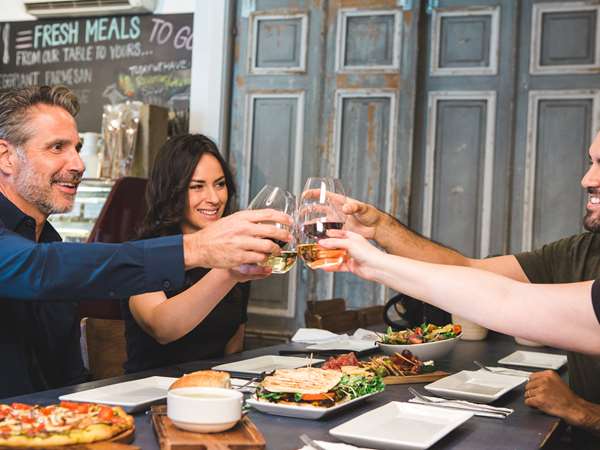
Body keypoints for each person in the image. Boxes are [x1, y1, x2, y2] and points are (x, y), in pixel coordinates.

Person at [0, 85, 290, 398]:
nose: (79, 165)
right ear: (6, 157)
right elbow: (37, 268)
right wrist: (197, 248)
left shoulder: (49, 240)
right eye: (57, 147)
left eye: (78, 148)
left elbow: (64, 372)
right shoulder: (42, 255)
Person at [320, 130, 600, 447]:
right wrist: (381, 230)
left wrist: (582, 411)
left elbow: (504, 301)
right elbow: (468, 272)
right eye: (591, 162)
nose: (587, 179)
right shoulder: (582, 250)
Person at [122, 134, 254, 372]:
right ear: (171, 190)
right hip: (154, 398)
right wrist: (228, 273)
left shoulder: (235, 253)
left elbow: (233, 347)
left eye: (220, 184)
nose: (214, 198)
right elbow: (163, 328)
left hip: (213, 394)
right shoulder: (143, 253)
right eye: (197, 186)